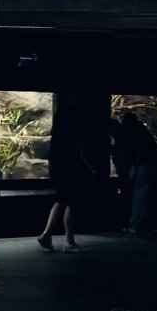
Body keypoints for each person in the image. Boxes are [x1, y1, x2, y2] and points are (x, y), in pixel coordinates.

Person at [36, 103, 94, 251]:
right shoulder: (74, 129)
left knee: (61, 199)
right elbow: (81, 147)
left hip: (57, 168)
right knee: (72, 202)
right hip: (71, 169)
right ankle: (68, 241)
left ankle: (46, 235)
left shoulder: (57, 134)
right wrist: (91, 166)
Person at [115, 107, 157, 235]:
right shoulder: (141, 130)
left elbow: (133, 151)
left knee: (139, 195)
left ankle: (134, 224)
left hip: (142, 163)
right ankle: (144, 224)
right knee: (144, 194)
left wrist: (131, 167)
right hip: (149, 162)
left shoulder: (129, 131)